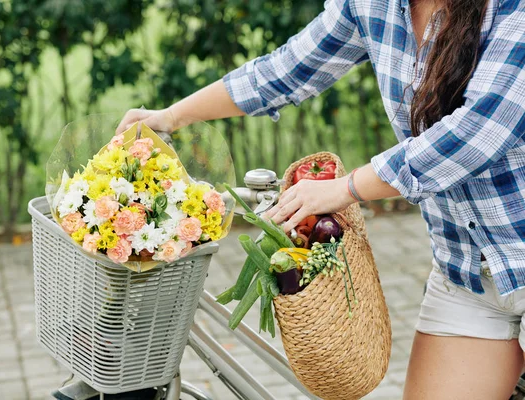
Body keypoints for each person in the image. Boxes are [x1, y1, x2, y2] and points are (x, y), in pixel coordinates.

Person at [117, 0, 525, 398]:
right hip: (467, 273)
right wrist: (171, 116)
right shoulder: (374, 6)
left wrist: (344, 189)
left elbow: (475, 133)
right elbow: (287, 70)